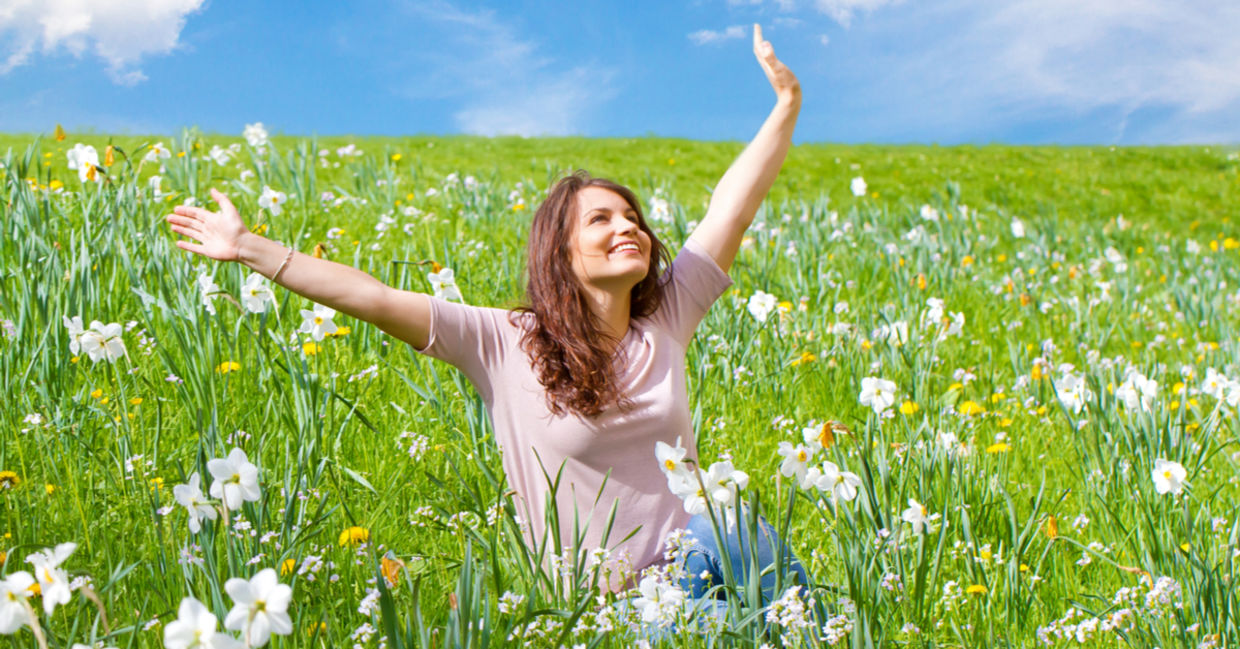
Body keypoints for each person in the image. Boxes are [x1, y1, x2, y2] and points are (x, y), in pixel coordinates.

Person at [165, 24, 804, 604]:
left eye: (632, 217)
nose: (627, 227)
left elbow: (731, 209)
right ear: (560, 251)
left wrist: (786, 105)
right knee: (714, 628)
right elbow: (375, 298)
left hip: (697, 563)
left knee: (733, 526)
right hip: (615, 609)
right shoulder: (504, 342)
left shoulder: (664, 319)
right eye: (601, 219)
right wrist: (247, 248)